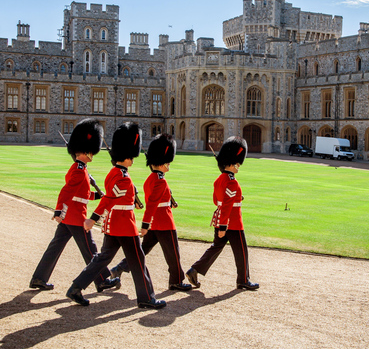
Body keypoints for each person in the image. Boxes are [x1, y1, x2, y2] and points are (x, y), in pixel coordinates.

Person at [66, 122, 165, 309]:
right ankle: (146, 298)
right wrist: (92, 218)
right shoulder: (123, 177)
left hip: (113, 225)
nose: (133, 160)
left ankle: (76, 287)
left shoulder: (115, 173)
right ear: (128, 156)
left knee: (102, 259)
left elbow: (116, 197)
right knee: (138, 260)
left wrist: (132, 200)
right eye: (132, 157)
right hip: (124, 226)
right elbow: (109, 199)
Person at [30, 118, 119, 293]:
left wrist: (97, 195)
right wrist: (58, 210)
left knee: (54, 248)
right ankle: (102, 280)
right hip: (76, 217)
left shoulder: (79, 168)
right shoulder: (79, 170)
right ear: (86, 151)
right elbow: (67, 191)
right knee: (91, 249)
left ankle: (39, 278)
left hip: (70, 217)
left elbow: (80, 194)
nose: (93, 155)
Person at [110, 133, 192, 291]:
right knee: (173, 254)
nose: (168, 164)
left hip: (155, 223)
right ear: (162, 163)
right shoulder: (160, 180)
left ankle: (119, 268)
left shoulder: (151, 178)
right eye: (167, 162)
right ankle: (176, 281)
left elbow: (156, 200)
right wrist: (145, 224)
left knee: (142, 251)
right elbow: (153, 204)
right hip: (164, 222)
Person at [185, 136, 259, 291]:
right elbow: (226, 205)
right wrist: (224, 227)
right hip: (232, 223)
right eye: (237, 163)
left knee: (215, 248)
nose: (239, 166)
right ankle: (243, 280)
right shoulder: (232, 181)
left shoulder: (219, 179)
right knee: (242, 252)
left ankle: (195, 269)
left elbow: (217, 200)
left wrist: (222, 223)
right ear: (231, 164)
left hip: (220, 220)